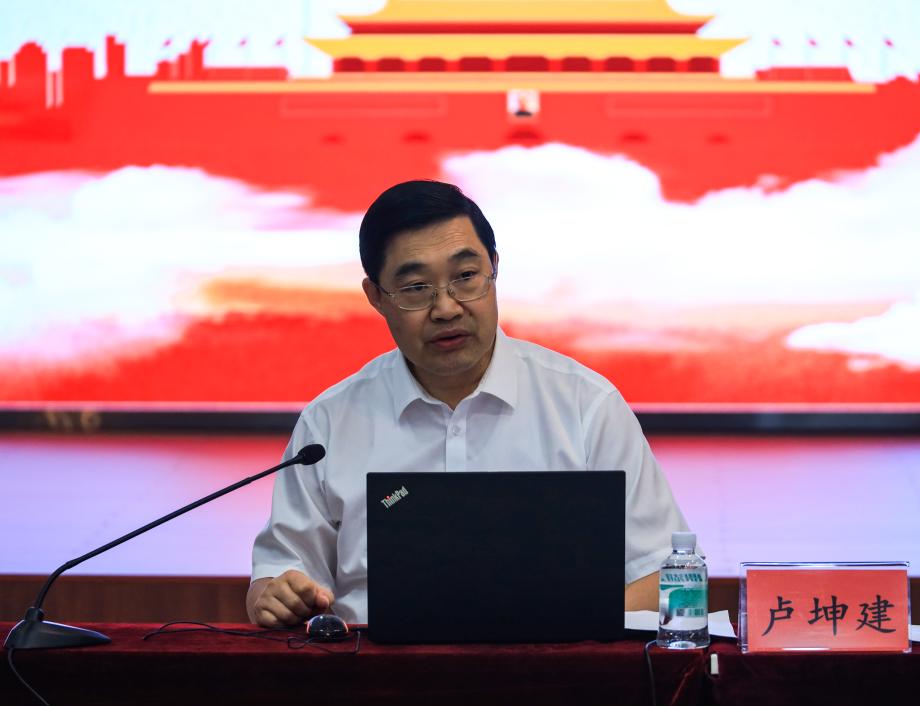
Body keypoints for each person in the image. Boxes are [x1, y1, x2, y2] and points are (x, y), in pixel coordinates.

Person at [247, 180, 692, 627]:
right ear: (376, 297)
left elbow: (666, 575)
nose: (446, 308)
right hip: (378, 666)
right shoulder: (328, 423)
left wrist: (550, 634)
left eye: (465, 277)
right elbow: (276, 579)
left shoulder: (585, 405)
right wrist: (276, 597)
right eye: (416, 287)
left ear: (494, 268)